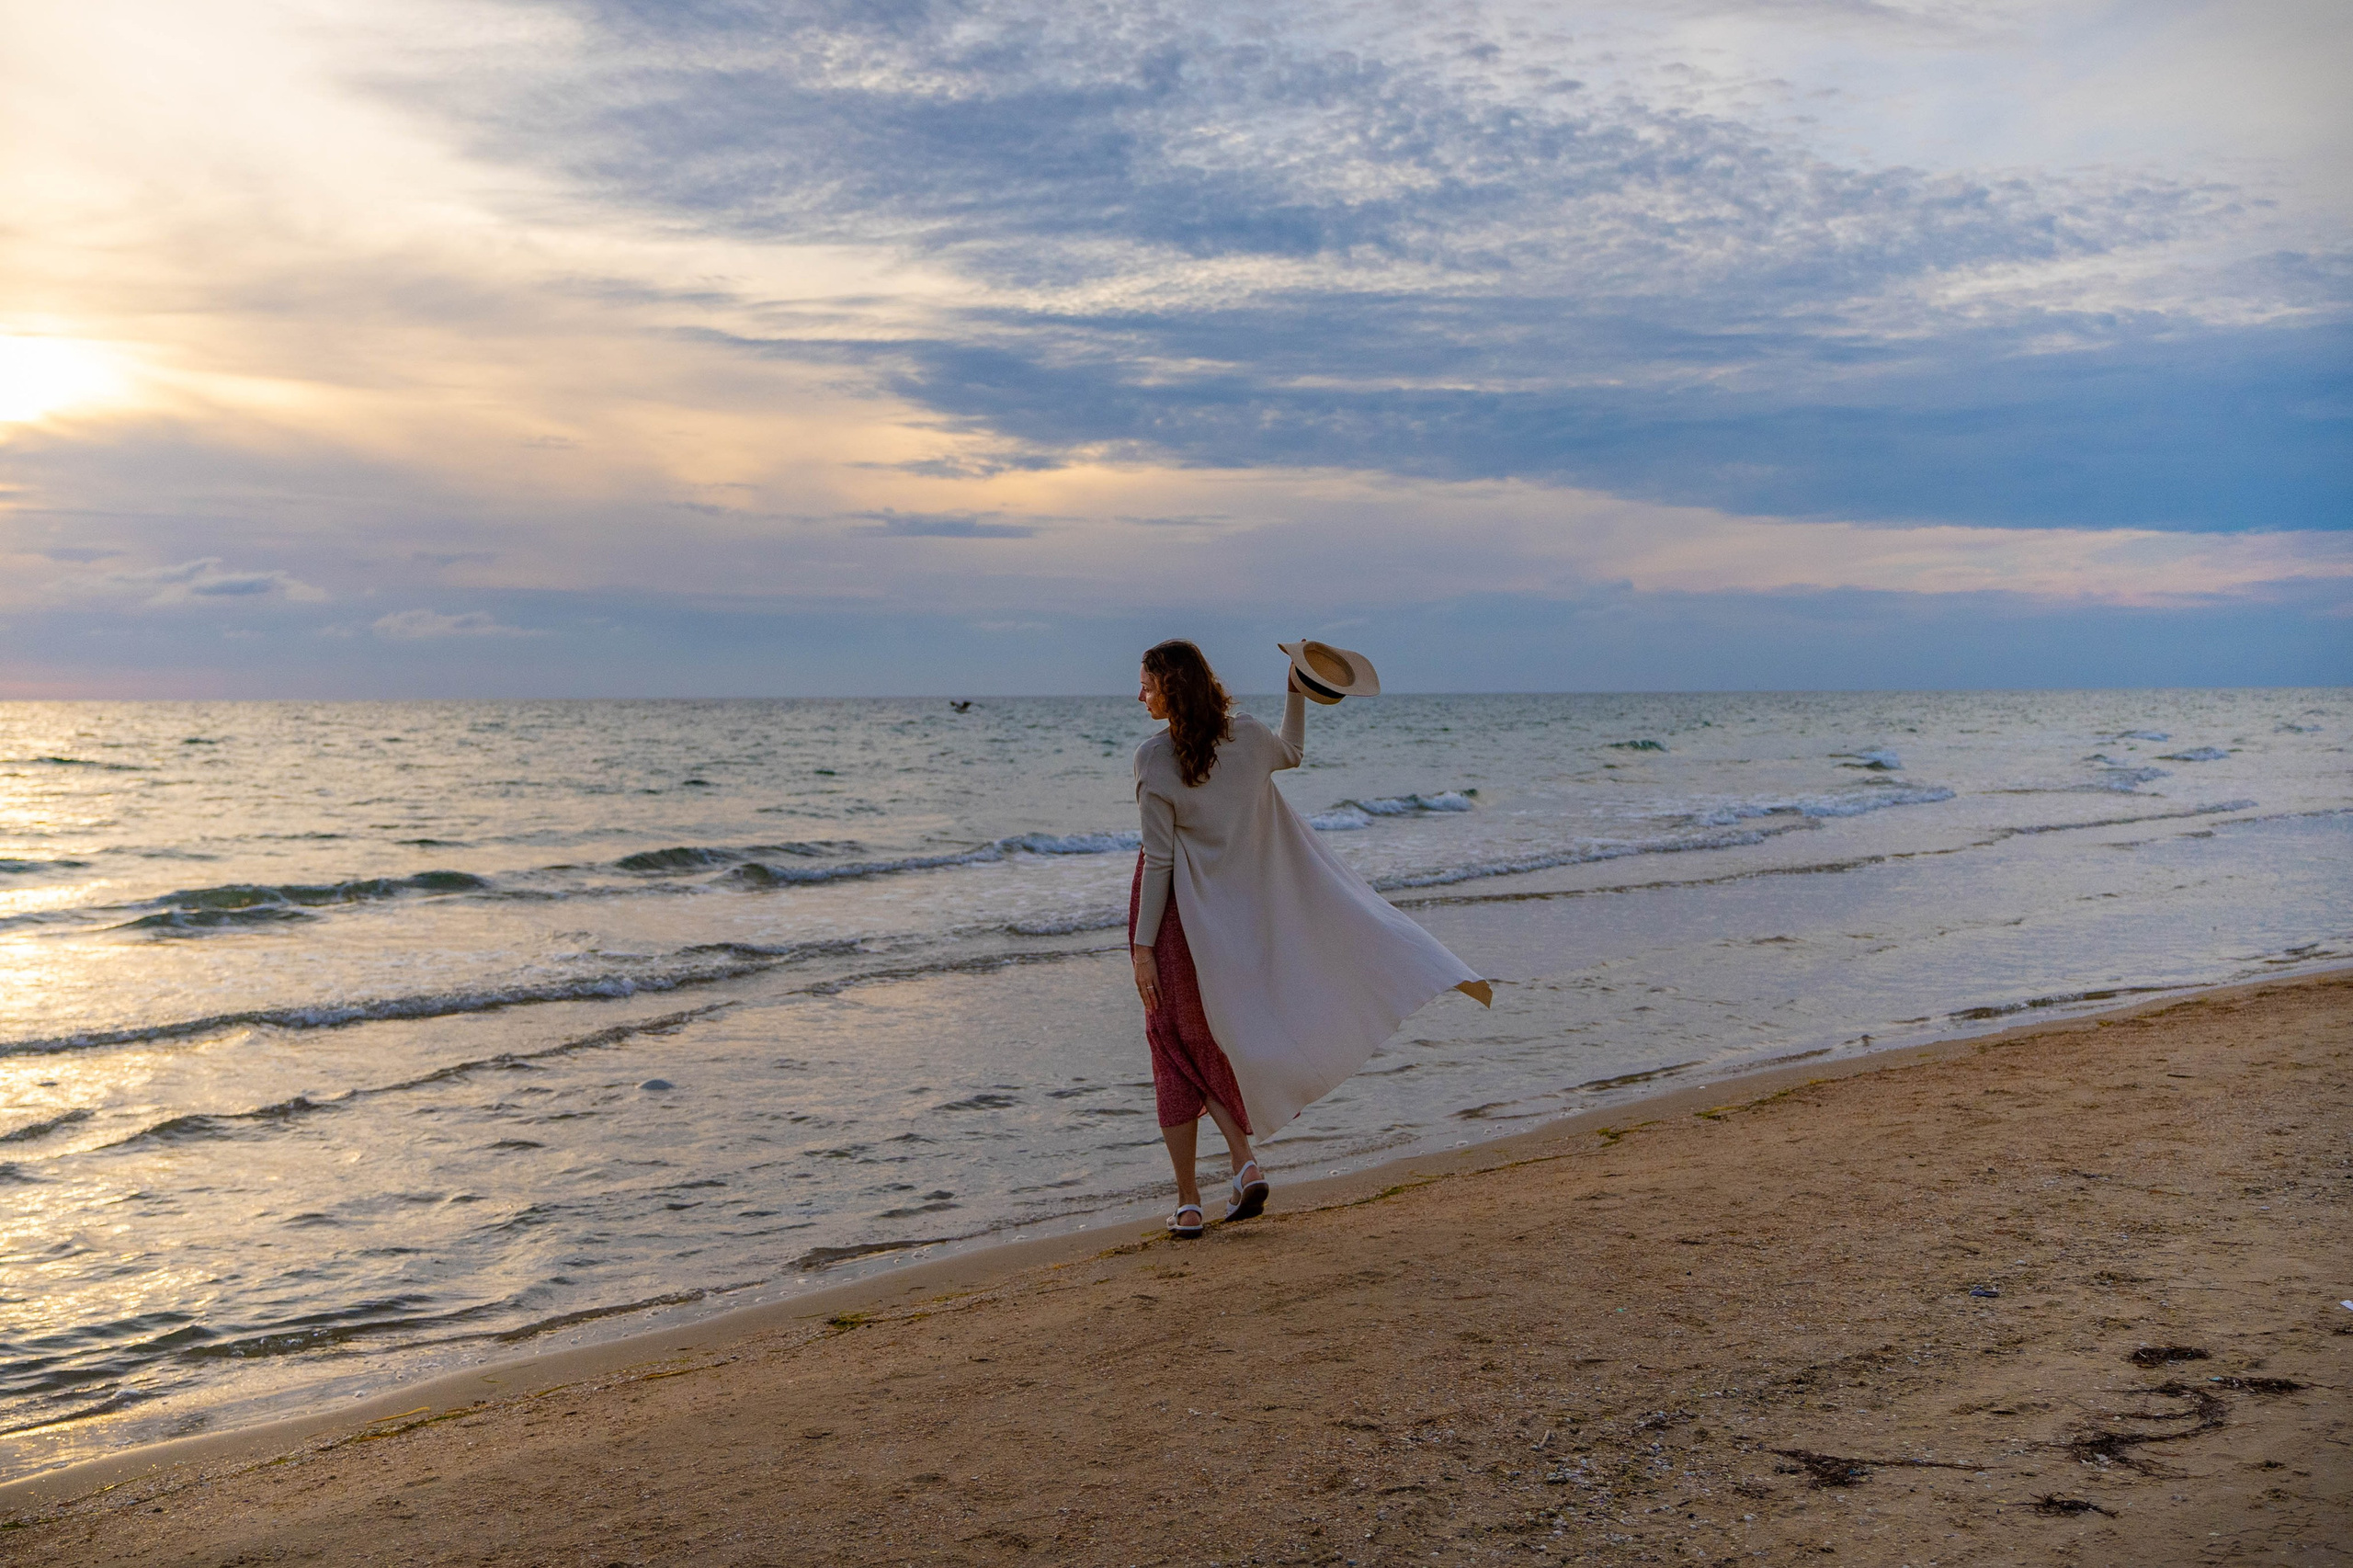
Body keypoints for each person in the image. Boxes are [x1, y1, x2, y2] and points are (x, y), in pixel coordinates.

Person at [1129, 639, 1488, 1239]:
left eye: (1145, 683)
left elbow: (1160, 863)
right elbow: (1292, 752)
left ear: (1171, 689)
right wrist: (1294, 696)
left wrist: (1142, 948)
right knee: (1202, 1044)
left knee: (1170, 1045)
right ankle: (1241, 1165)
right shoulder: (1247, 737)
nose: (1139, 694)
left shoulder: (1153, 760)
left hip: (1172, 918)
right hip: (1225, 914)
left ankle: (1191, 1201)